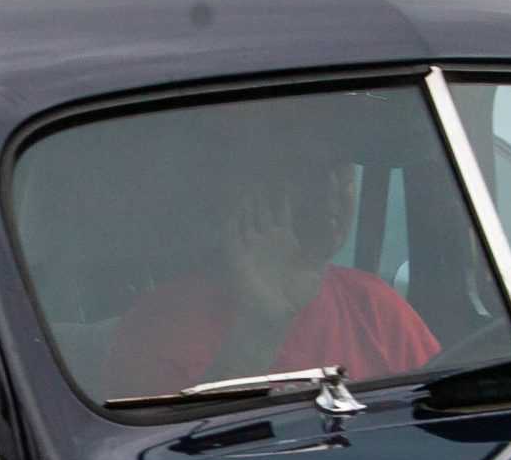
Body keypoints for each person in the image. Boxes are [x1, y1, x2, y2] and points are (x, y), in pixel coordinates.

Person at [103, 148, 439, 397]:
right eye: (309, 173)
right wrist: (263, 323)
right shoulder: (158, 325)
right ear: (252, 195)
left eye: (343, 171)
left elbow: (437, 415)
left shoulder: (375, 305)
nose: (333, 191)